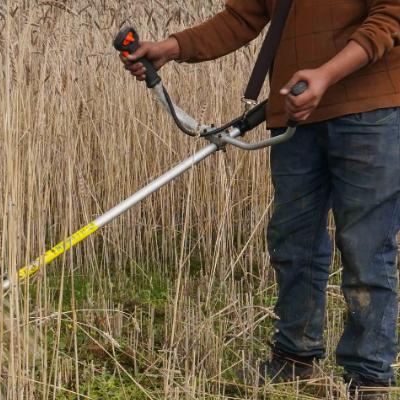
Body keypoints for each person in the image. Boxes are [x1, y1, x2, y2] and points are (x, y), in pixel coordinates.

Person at [120, 1, 400, 398]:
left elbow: (389, 17)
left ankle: (369, 376)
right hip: (295, 115)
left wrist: (325, 75)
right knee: (292, 241)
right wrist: (170, 47)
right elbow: (241, 17)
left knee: (367, 248)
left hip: (371, 112)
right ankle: (295, 357)